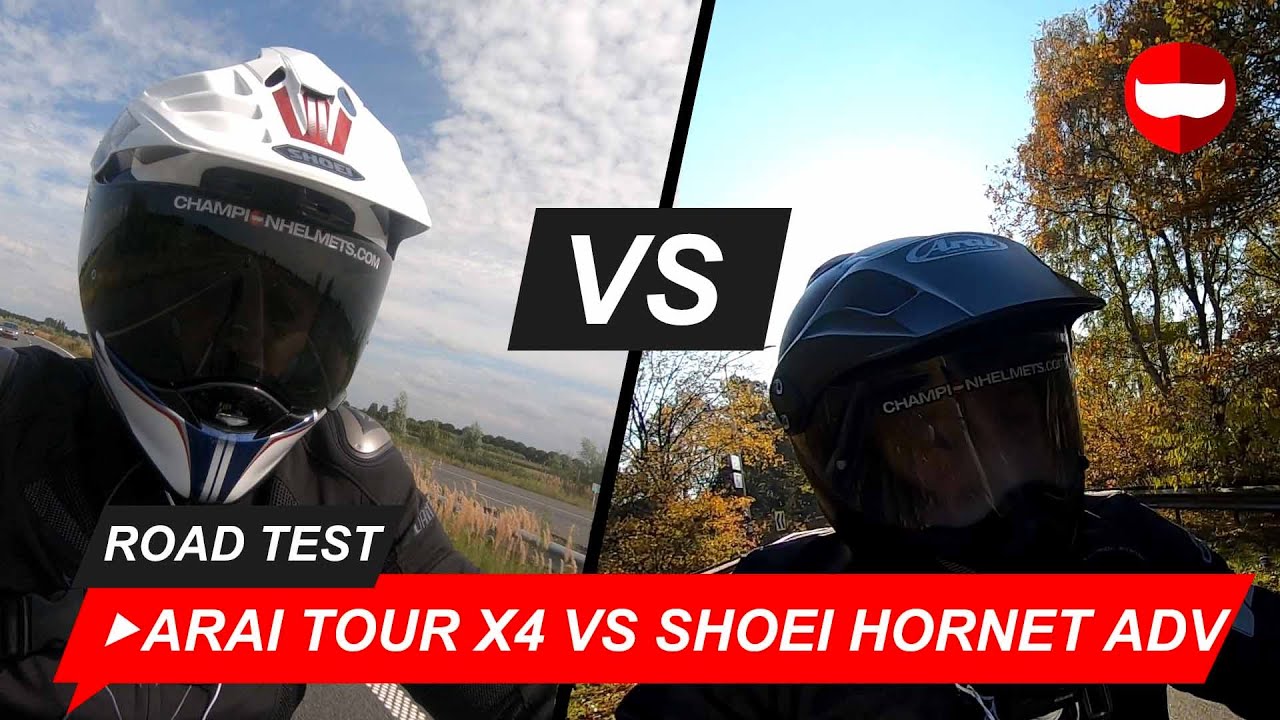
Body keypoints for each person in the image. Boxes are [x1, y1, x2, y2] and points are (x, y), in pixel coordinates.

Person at [0, 47, 557, 720]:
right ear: (131, 278)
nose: (245, 339)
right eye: (205, 288)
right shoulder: (17, 417)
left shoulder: (343, 490)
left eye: (292, 312)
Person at [615, 231, 1278, 719]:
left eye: (1020, 415)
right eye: (932, 437)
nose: (1004, 465)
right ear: (856, 465)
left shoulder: (1122, 549)